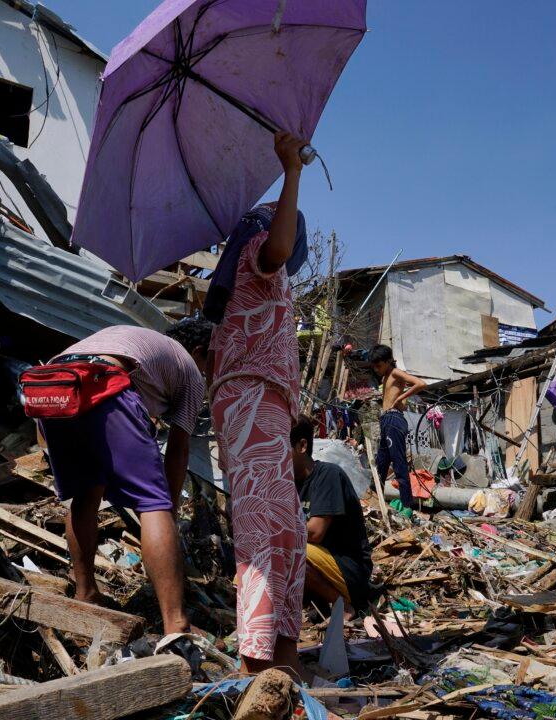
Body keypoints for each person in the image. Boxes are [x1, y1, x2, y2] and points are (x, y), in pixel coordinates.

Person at [206, 131, 310, 680]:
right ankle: (256, 662)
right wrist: (291, 171)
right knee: (264, 531)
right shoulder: (256, 253)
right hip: (251, 402)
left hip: (262, 404)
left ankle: (284, 659)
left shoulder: (252, 285)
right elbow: (279, 247)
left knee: (287, 531)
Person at [37, 320, 213, 637]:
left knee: (86, 493)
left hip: (51, 387)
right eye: (211, 360)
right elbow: (178, 449)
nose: (210, 370)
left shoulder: (137, 339)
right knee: (153, 503)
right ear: (199, 351)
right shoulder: (189, 369)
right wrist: (168, 509)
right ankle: (176, 623)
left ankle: (85, 593)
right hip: (101, 381)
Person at [290, 415, 372, 619]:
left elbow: (315, 532)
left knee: (286, 550)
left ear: (302, 446)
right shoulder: (286, 485)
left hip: (348, 571)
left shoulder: (328, 475)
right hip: (318, 567)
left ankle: (342, 605)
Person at [369, 344, 426, 510]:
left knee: (399, 464)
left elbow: (420, 383)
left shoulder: (395, 372)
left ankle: (407, 506)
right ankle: (375, 502)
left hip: (394, 419)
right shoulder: (385, 377)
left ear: (388, 361)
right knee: (380, 465)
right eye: (374, 366)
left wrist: (400, 397)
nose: (377, 369)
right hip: (386, 420)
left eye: (379, 365)